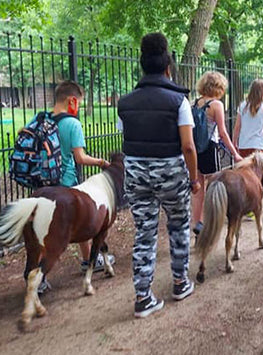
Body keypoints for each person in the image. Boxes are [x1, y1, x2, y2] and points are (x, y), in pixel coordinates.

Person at [117, 33, 201, 318]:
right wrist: (193, 179)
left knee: (145, 232)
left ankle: (142, 298)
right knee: (178, 227)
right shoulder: (179, 101)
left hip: (136, 174)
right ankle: (180, 283)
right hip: (171, 173)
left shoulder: (124, 103)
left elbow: (126, 135)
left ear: (142, 65)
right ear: (168, 66)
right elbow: (188, 145)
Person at [38, 80, 115, 293]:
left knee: (44, 228)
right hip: (66, 183)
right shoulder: (72, 124)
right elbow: (80, 157)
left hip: (44, 181)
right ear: (72, 101)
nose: (78, 107)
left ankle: (87, 259)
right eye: (79, 103)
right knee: (73, 225)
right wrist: (101, 163)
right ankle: (41, 277)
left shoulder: (42, 120)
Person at [192, 71, 243, 236]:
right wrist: (234, 153)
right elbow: (222, 132)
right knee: (215, 187)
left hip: (195, 150)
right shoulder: (216, 105)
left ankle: (197, 223)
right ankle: (211, 224)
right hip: (210, 149)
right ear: (219, 87)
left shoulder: (195, 103)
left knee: (198, 189)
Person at [232, 79, 263, 157]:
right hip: (258, 145)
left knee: (244, 168)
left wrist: (234, 142)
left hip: (243, 145)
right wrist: (261, 138)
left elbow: (237, 127)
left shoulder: (242, 106)